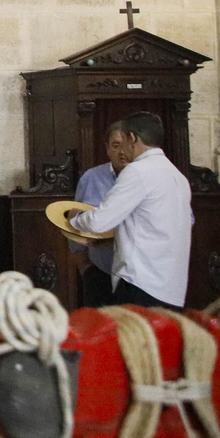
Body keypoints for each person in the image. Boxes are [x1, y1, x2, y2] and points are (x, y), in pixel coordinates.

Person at [67, 111, 193, 308]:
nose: (123, 150)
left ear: (132, 138)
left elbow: (99, 222)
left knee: (132, 338)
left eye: (123, 141)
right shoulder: (177, 176)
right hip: (172, 288)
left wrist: (74, 220)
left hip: (140, 284)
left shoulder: (137, 171)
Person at [70, 123, 130, 308]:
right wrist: (85, 268)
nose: (121, 152)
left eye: (126, 145)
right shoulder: (92, 178)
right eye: (115, 145)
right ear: (107, 149)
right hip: (99, 272)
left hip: (136, 278)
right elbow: (73, 222)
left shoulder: (145, 179)